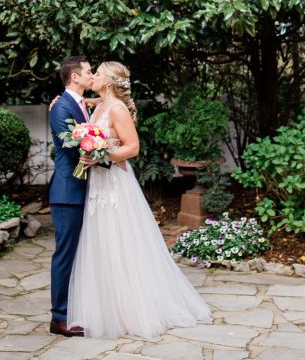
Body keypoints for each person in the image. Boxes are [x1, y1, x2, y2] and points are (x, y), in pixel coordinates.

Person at [67, 61, 211, 338]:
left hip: (115, 184)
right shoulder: (98, 106)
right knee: (101, 243)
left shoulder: (118, 109)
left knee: (119, 241)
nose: (93, 77)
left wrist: (101, 154)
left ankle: (131, 310)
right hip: (98, 183)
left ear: (108, 82)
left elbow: (132, 148)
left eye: (97, 74)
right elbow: (90, 105)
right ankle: (107, 308)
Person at [47, 56, 94, 337]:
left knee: (79, 255)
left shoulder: (79, 105)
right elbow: (72, 145)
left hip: (83, 190)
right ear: (74, 77)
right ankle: (59, 317)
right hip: (67, 192)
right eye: (88, 71)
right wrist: (105, 154)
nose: (91, 75)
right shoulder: (61, 107)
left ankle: (75, 309)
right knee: (64, 255)